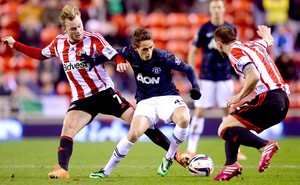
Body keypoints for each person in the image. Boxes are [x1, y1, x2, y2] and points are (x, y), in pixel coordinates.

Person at [1, 4, 184, 179]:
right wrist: (16, 44)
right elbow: (40, 54)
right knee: (68, 127)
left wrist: (120, 62)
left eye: (79, 26)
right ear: (65, 30)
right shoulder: (59, 43)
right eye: (73, 28)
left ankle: (176, 155)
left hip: (105, 94)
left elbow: (115, 54)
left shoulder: (94, 39)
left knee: (141, 124)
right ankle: (62, 169)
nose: (78, 30)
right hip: (83, 100)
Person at [88, 28, 201, 178]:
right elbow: (110, 53)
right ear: (136, 48)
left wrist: (196, 87)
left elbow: (188, 69)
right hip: (145, 101)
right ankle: (105, 171)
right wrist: (94, 61)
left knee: (185, 118)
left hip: (168, 97)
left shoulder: (163, 56)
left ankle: (168, 158)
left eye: (151, 47)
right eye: (145, 49)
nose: (148, 52)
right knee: (134, 134)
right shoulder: (129, 52)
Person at [212, 25, 290, 181]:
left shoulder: (234, 52)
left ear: (219, 45)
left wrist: (238, 96)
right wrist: (267, 34)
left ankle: (264, 145)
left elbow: (253, 76)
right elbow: (268, 41)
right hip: (283, 100)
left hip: (270, 98)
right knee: (233, 123)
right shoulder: (254, 44)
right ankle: (230, 165)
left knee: (224, 128)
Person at [184, 0, 246, 160]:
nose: (217, 10)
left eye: (219, 7)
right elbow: (193, 51)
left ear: (224, 9)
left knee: (229, 112)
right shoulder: (204, 29)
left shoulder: (231, 29)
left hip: (225, 77)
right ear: (210, 9)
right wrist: (192, 75)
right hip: (206, 78)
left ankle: (235, 150)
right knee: (199, 111)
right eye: (214, 7)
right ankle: (191, 150)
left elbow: (238, 51)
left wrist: (241, 74)